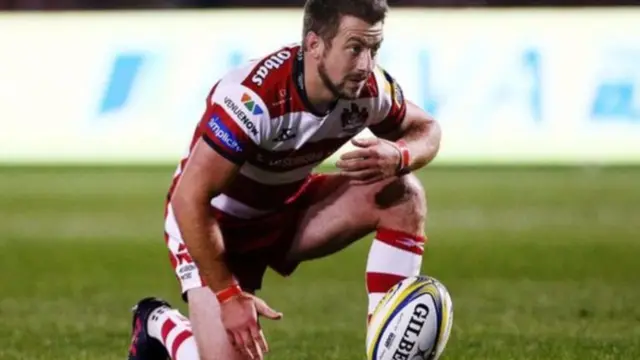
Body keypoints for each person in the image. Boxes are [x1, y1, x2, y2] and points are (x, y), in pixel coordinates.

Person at [127, 0, 442, 358]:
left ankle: (390, 346)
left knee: (403, 194)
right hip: (213, 227)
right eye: (355, 48)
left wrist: (401, 156)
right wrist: (229, 296)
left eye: (374, 49)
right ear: (314, 45)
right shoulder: (253, 99)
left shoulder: (370, 90)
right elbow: (189, 199)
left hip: (284, 209)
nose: (366, 65)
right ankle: (158, 322)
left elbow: (427, 129)